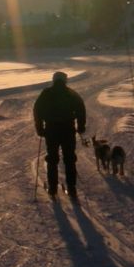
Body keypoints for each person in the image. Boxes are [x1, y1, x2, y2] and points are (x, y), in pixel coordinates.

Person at [33, 70, 86, 200]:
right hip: (68, 129)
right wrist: (80, 126)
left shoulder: (46, 93)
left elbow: (37, 110)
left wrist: (40, 128)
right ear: (65, 80)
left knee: (52, 158)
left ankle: (52, 189)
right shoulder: (71, 93)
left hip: (51, 130)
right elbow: (81, 109)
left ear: (54, 80)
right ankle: (72, 188)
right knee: (69, 158)